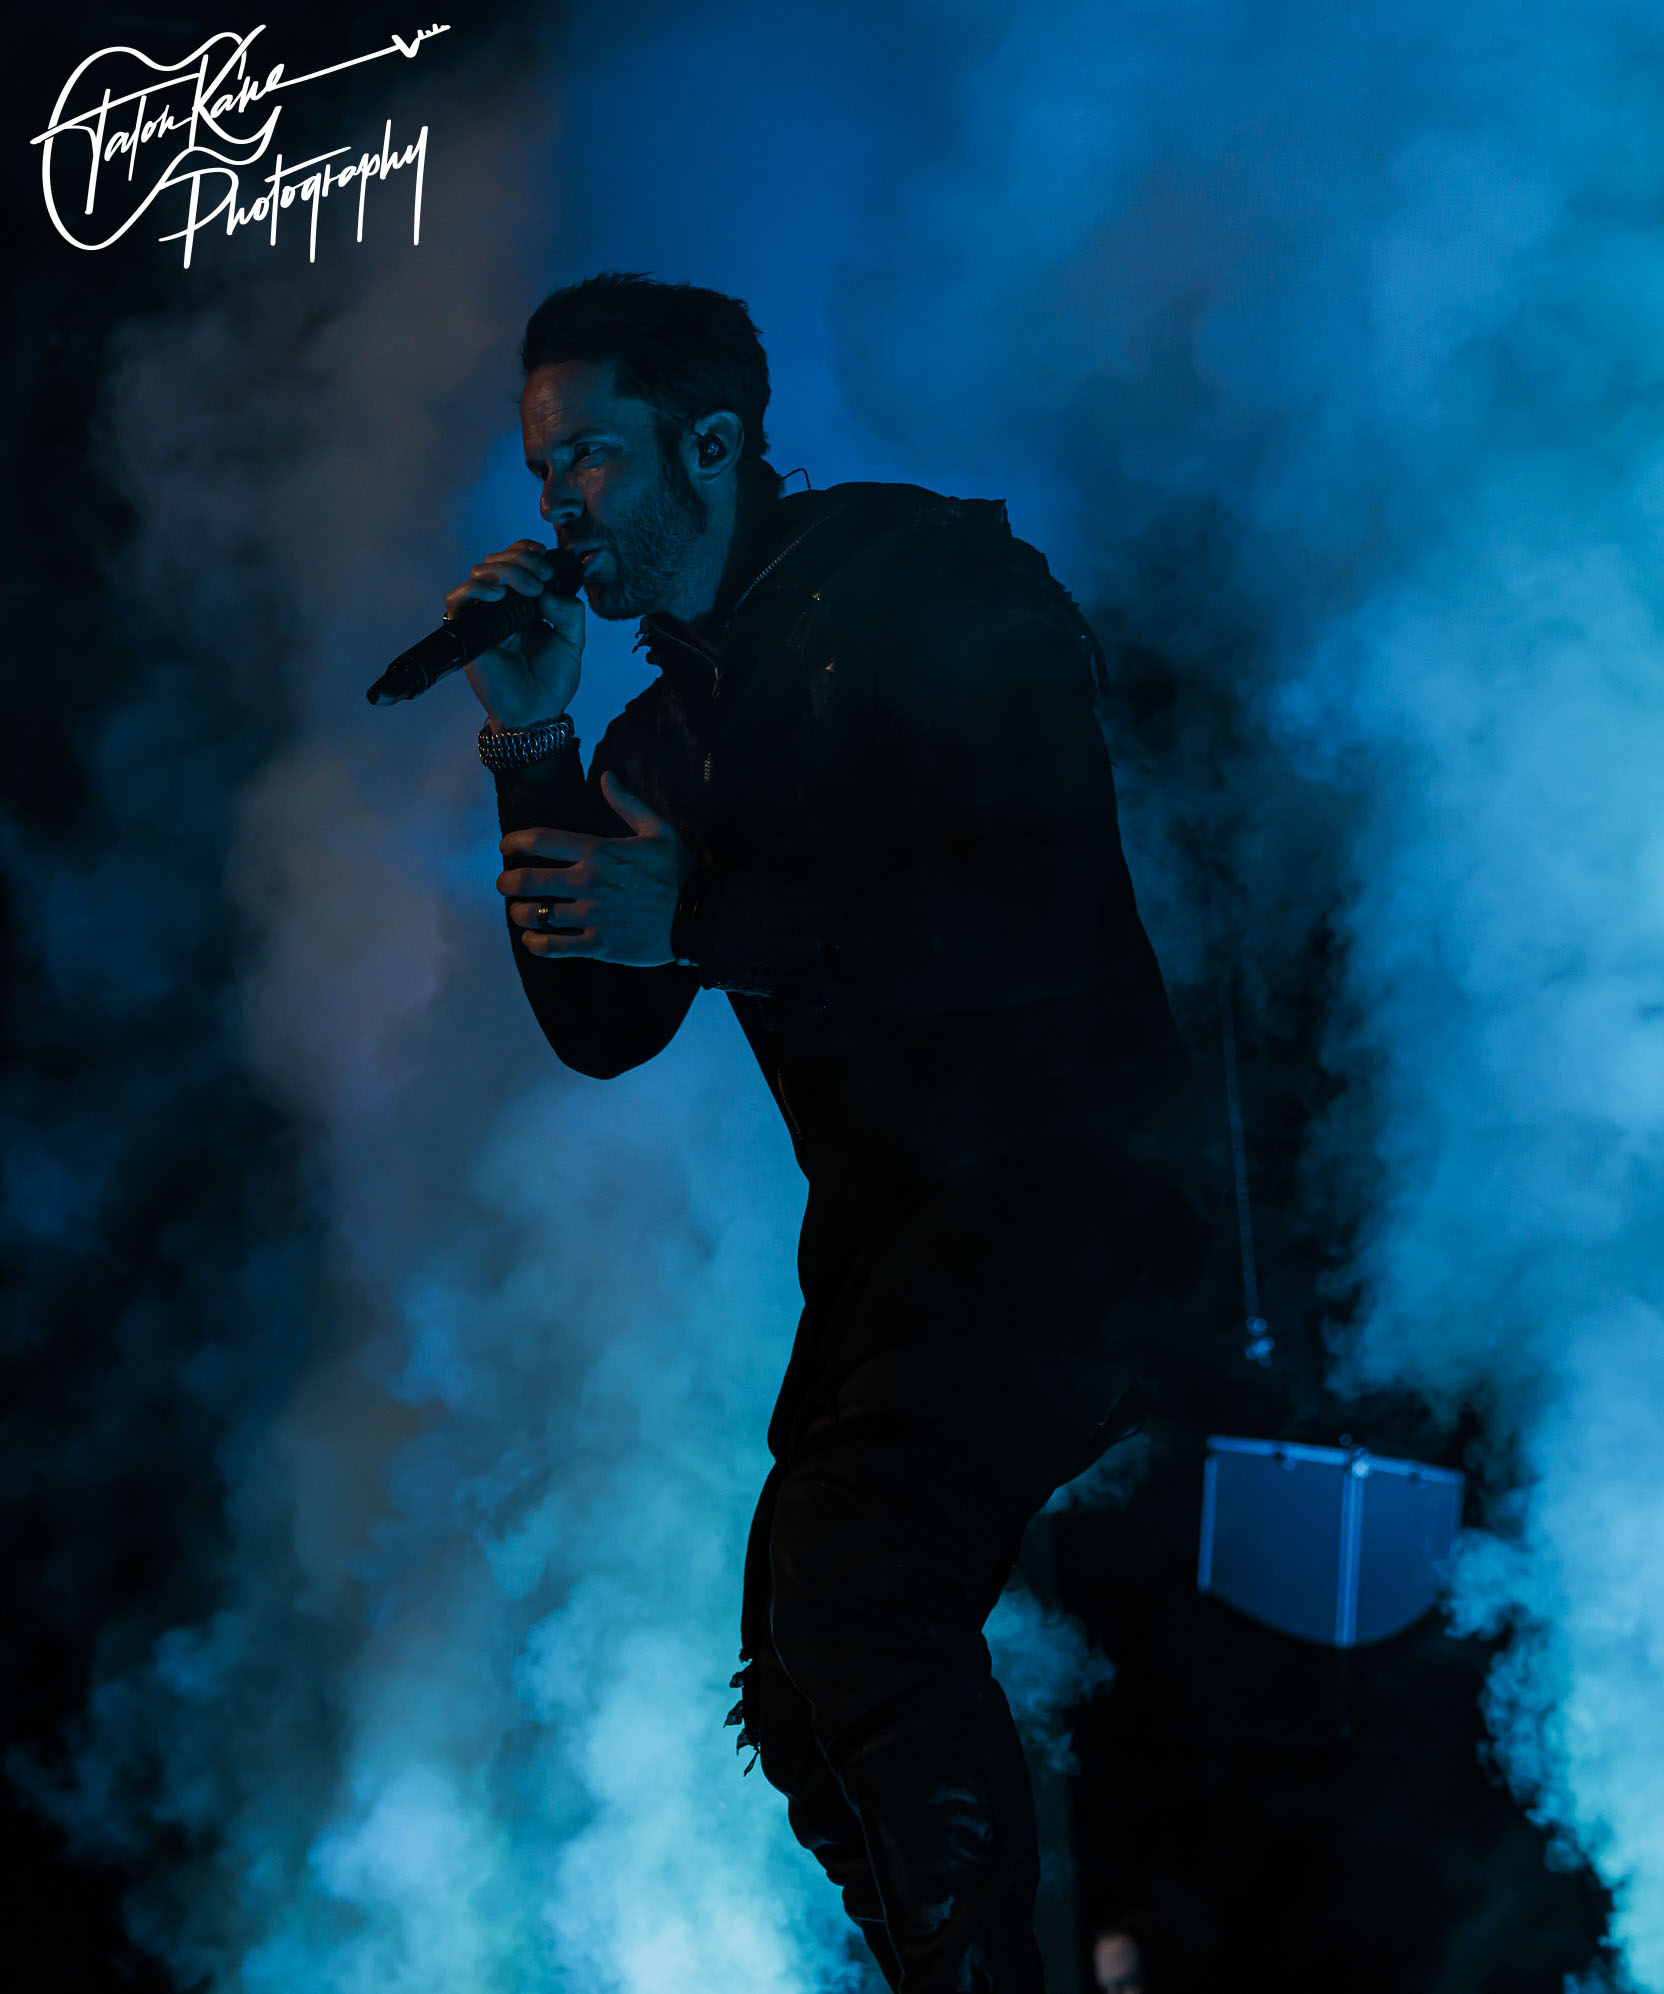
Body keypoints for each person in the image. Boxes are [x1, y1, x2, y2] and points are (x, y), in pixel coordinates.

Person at [449, 273, 1206, 1993]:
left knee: (859, 1576)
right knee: (799, 1683)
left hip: (1075, 1197)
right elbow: (604, 1022)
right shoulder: (662, 736)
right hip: (893, 1251)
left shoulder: (925, 585)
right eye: (544, 469)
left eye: (594, 459)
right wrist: (529, 735)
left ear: (711, 446)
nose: (560, 505)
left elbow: (1023, 912)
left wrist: (701, 913)